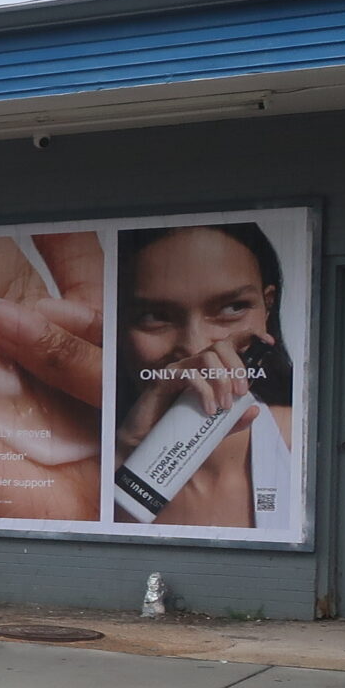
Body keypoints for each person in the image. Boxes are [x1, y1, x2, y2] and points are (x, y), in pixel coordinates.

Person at [111, 223, 293, 530]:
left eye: (232, 307)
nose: (196, 348)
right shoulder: (89, 460)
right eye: (153, 316)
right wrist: (122, 456)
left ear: (268, 307)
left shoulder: (303, 440)